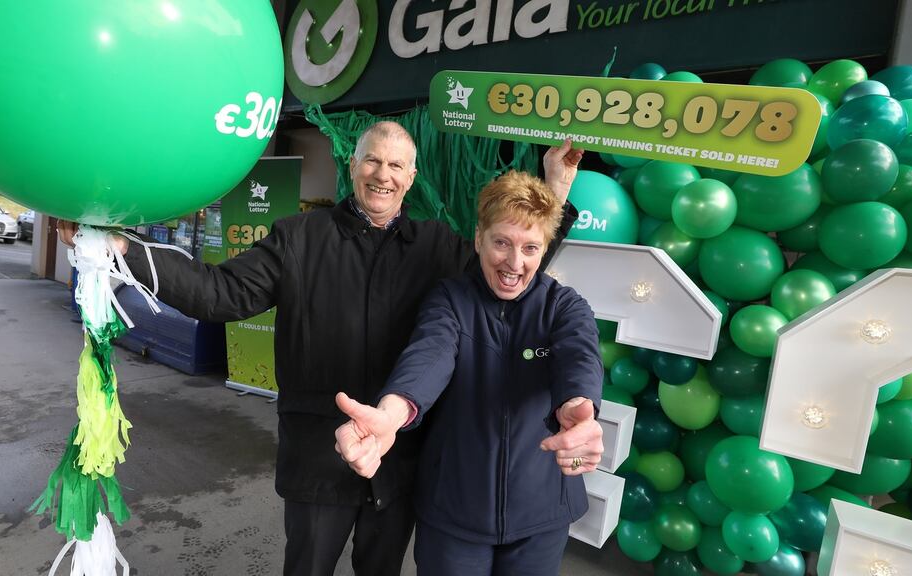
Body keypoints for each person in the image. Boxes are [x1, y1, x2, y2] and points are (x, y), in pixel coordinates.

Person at [57, 121, 584, 576]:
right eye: (373, 161)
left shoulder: (437, 247)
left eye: (396, 165)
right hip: (316, 458)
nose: (384, 175)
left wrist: (555, 191)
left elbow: (511, 264)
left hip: (398, 462)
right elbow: (220, 293)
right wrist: (124, 249)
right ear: (352, 167)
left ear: (411, 178)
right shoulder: (299, 237)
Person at [334, 170, 604, 576]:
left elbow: (579, 357)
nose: (515, 263)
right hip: (454, 514)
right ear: (479, 239)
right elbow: (428, 356)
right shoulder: (449, 299)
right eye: (502, 243)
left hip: (541, 513)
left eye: (530, 248)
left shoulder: (565, 306)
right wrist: (390, 416)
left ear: (545, 249)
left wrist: (579, 406)